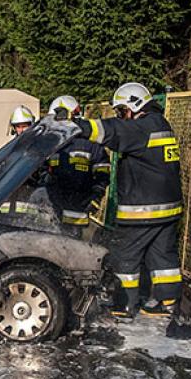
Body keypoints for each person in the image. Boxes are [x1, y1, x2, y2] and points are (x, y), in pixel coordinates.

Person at [71, 83, 183, 319]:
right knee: (163, 257)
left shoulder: (142, 127)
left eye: (122, 111)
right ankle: (167, 301)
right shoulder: (161, 125)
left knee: (125, 256)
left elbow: (112, 131)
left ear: (135, 104)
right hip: (169, 210)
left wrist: (76, 125)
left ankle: (124, 304)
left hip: (143, 210)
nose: (122, 117)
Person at [47, 95, 110, 237]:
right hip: (53, 212)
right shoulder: (52, 143)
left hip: (80, 211)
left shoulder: (90, 143)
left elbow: (103, 170)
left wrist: (96, 195)